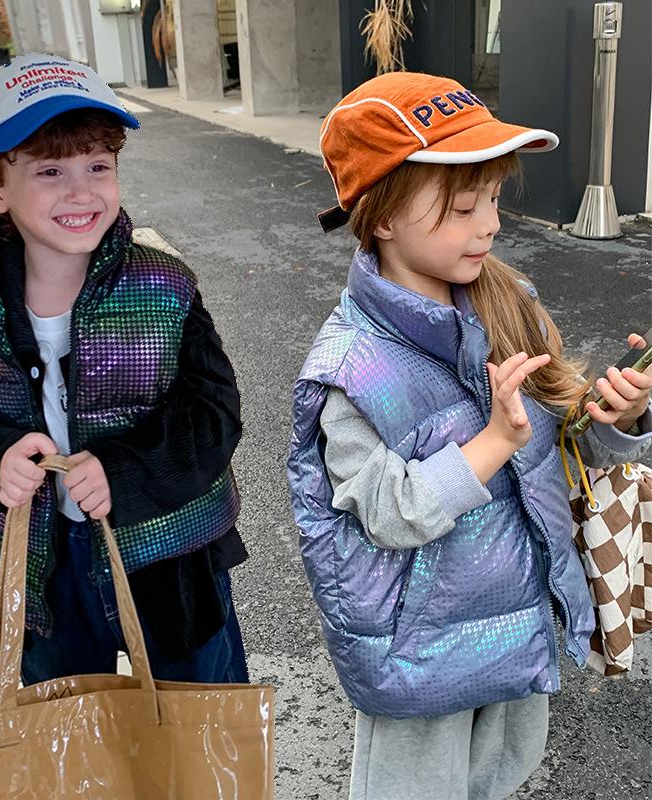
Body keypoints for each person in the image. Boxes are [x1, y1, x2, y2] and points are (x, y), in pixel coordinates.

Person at [287, 72, 652, 800]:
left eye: (491, 198)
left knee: (502, 776)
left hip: (515, 620)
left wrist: (615, 420)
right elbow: (390, 515)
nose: (487, 224)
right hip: (417, 655)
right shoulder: (348, 370)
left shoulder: (507, 300)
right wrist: (492, 442)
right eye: (461, 206)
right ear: (381, 215)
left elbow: (562, 446)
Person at [0, 54, 249, 686]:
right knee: (60, 732)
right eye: (50, 170)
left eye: (98, 166)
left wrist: (124, 471)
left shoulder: (164, 289)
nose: (81, 191)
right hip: (44, 569)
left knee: (191, 714)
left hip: (168, 557)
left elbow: (213, 410)